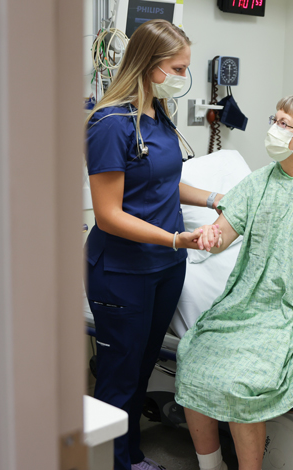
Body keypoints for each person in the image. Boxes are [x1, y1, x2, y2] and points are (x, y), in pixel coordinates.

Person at [175, 95, 293, 470]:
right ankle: (212, 466)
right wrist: (207, 237)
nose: (274, 127)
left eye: (284, 123)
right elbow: (222, 234)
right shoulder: (258, 183)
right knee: (191, 357)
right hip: (245, 305)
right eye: (276, 118)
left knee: (242, 382)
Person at [85, 19, 223, 470]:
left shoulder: (158, 116)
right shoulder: (110, 123)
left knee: (142, 367)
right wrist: (173, 238)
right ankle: (115, 464)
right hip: (124, 271)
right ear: (149, 66)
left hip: (166, 265)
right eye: (177, 68)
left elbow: (165, 182)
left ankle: (132, 455)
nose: (183, 76)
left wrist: (216, 199)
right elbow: (108, 213)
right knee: (119, 375)